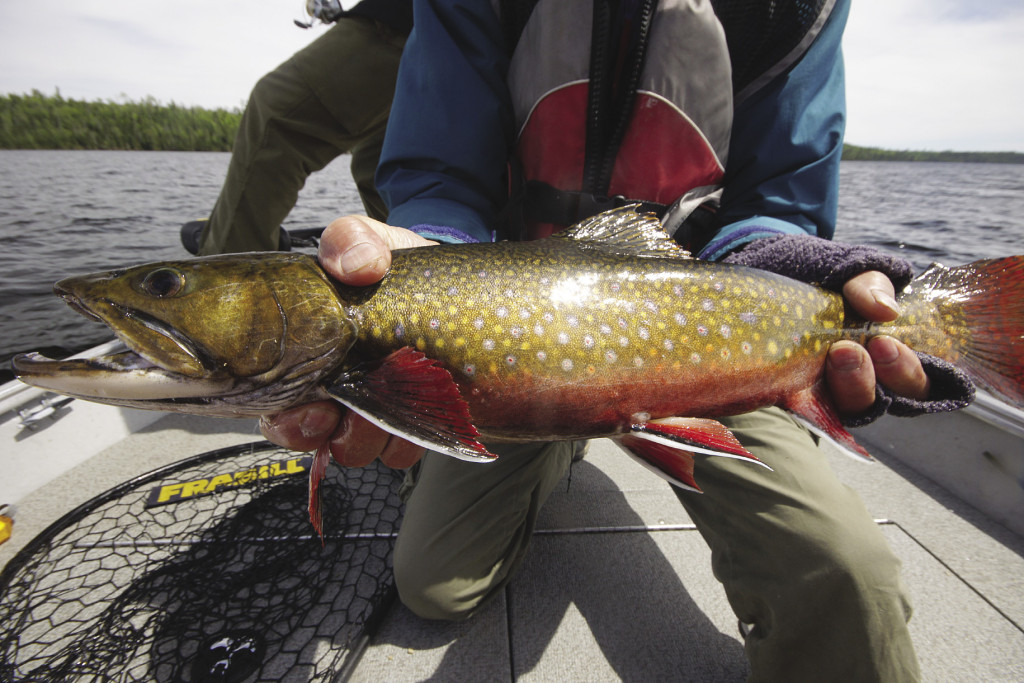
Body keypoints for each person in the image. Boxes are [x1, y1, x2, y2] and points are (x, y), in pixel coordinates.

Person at [261, 1, 972, 680]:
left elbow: (781, 202)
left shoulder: (793, 4)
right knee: (432, 586)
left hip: (705, 332)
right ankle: (556, 448)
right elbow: (441, 174)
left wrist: (787, 268)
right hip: (497, 341)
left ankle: (571, 440)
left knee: (848, 573)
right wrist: (426, 259)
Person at [183, 0, 412, 256]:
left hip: (403, 18)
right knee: (382, 165)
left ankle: (229, 278)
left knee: (275, 114)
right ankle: (416, 268)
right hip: (430, 31)